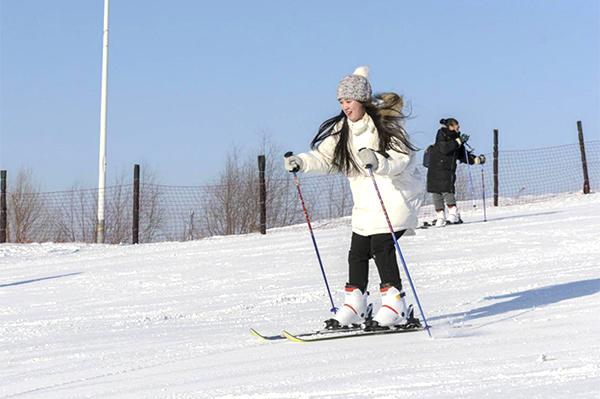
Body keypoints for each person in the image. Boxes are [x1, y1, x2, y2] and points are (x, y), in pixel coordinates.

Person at [283, 66, 423, 329]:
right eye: (341, 101)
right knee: (357, 252)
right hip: (366, 204)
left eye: (348, 101)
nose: (345, 106)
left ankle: (395, 307)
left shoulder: (386, 127)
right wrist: (301, 162)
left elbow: (401, 160)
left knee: (381, 247)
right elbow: (326, 157)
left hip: (395, 199)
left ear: (361, 100)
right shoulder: (343, 129)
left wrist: (378, 161)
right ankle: (355, 306)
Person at [426, 118, 485, 226]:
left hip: (443, 169)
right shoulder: (442, 135)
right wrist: (459, 141)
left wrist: (477, 160)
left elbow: (463, 156)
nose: (458, 129)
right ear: (450, 126)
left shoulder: (457, 140)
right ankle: (445, 216)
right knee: (441, 191)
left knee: (443, 190)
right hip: (438, 168)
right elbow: (445, 148)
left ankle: (448, 216)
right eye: (456, 126)